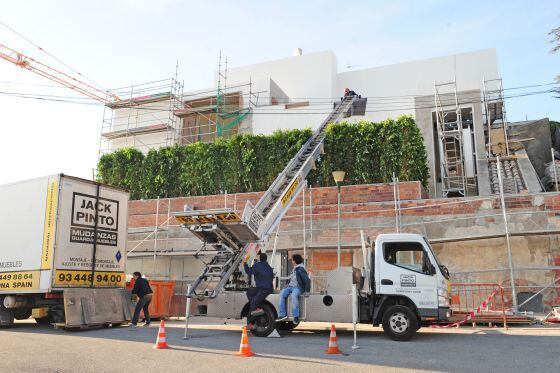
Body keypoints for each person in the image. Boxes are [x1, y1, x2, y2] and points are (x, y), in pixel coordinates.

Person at [276, 254, 310, 324]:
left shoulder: (301, 269)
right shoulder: (295, 268)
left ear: (295, 261)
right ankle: (282, 314)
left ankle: (296, 316)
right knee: (282, 293)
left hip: (297, 287)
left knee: (294, 296)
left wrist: (307, 291)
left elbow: (307, 280)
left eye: (292, 260)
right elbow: (293, 278)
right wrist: (288, 284)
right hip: (290, 286)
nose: (291, 261)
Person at [244, 252, 274, 328]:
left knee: (253, 302)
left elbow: (248, 272)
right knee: (250, 292)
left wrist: (245, 263)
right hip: (267, 288)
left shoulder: (257, 265)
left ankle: (251, 324)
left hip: (264, 289)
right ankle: (257, 307)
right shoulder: (269, 267)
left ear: (260, 258)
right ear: (266, 259)